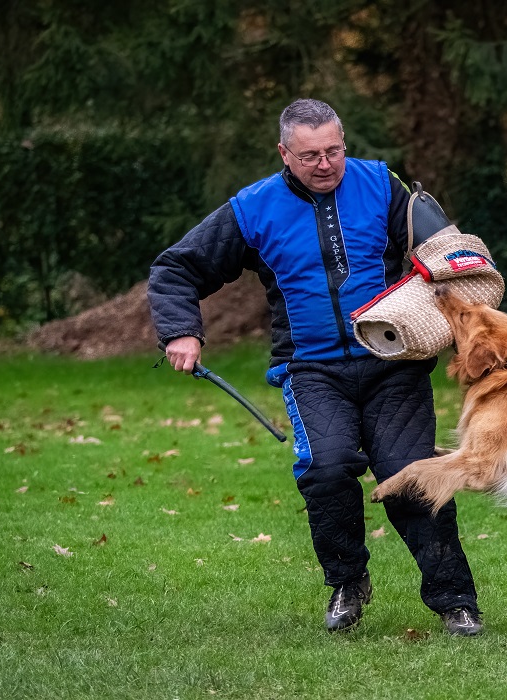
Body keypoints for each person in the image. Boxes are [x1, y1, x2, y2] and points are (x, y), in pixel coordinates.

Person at [147, 98, 483, 637]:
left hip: (393, 363)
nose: (325, 164)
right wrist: (181, 330)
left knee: (413, 478)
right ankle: (349, 581)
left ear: (344, 144)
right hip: (311, 372)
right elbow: (176, 268)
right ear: (284, 153)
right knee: (326, 470)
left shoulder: (380, 184)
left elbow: (443, 250)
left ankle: (455, 601)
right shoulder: (253, 207)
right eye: (310, 156)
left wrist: (457, 284)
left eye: (334, 151)